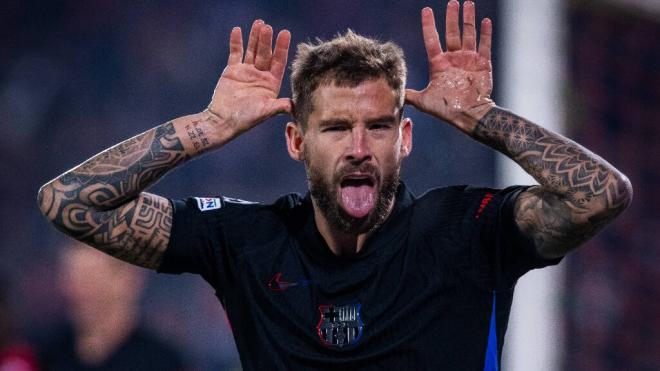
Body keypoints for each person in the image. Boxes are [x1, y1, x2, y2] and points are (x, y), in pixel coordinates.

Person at [37, 1, 632, 369]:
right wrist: (207, 127)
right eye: (336, 128)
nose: (357, 147)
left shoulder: (468, 232)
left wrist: (486, 120)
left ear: (404, 138)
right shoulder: (248, 241)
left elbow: (600, 195)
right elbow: (67, 202)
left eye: (377, 127)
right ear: (296, 141)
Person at [34, 241, 185, 370]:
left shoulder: (162, 363)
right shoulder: (43, 356)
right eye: (72, 278)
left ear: (129, 280)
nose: (78, 291)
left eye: (91, 279)